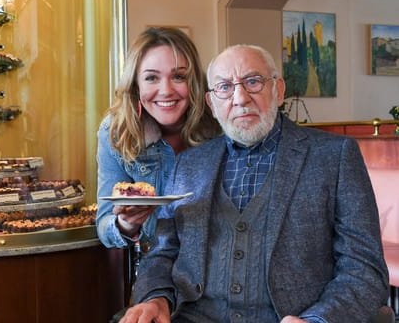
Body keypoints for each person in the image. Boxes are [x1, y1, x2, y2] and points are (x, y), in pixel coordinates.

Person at [120, 44, 390, 322]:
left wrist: (319, 319)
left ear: (279, 90)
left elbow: (365, 267)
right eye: (224, 87)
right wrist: (156, 298)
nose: (240, 98)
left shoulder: (335, 156)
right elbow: (163, 253)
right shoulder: (188, 164)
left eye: (253, 81)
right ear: (212, 104)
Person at [96, 27, 220, 249]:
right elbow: (105, 224)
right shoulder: (116, 131)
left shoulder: (219, 126)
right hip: (154, 265)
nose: (166, 90)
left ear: (194, 82)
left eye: (179, 76)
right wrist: (125, 223)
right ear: (135, 85)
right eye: (151, 77)